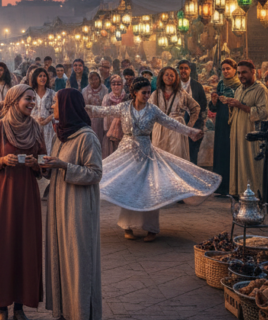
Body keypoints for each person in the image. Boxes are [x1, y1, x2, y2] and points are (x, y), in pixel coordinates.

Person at [85, 79, 217, 241]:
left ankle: (151, 229)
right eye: (144, 92)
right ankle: (128, 226)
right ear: (134, 93)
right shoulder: (124, 107)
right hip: (126, 154)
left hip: (146, 152)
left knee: (149, 190)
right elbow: (102, 111)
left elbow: (171, 123)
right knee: (130, 190)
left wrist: (191, 131)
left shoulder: (153, 110)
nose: (147, 95)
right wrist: (83, 108)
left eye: (149, 92)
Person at [0, 84, 45, 320]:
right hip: (1, 196)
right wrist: (1, 160)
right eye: (27, 99)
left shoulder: (36, 129)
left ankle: (20, 308)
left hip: (27, 196)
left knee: (25, 248)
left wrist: (34, 162)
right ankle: (1, 308)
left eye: (33, 99)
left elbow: (44, 162)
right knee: (2, 248)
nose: (32, 103)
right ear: (14, 100)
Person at [41, 89, 103, 320]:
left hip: (78, 208)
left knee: (79, 262)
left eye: (55, 103)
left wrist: (64, 166)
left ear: (66, 106)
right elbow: (57, 167)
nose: (52, 107)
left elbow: (95, 173)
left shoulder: (86, 137)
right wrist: (47, 169)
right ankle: (65, 314)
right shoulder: (62, 135)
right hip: (58, 204)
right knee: (60, 257)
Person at [221, 61, 268, 196]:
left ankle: (254, 195)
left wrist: (240, 105)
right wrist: (231, 104)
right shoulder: (239, 90)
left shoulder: (261, 90)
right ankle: (240, 193)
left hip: (251, 134)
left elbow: (264, 113)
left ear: (253, 71)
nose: (241, 75)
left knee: (251, 165)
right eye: (239, 73)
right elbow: (237, 110)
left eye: (244, 72)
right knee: (239, 163)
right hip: (238, 134)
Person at [151, 67, 202, 162]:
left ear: (176, 78)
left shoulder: (181, 93)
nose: (169, 77)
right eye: (166, 75)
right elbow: (149, 111)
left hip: (177, 129)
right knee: (159, 158)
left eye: (172, 75)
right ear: (162, 76)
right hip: (159, 129)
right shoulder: (156, 94)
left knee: (176, 159)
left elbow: (195, 107)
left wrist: (189, 127)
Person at [210, 59, 240, 195]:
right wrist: (214, 101)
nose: (226, 71)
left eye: (228, 68)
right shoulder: (221, 84)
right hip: (222, 121)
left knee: (232, 152)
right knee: (221, 152)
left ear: (234, 70)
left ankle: (233, 186)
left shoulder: (240, 85)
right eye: (223, 69)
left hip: (234, 121)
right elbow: (214, 107)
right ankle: (222, 188)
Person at [178, 60, 207, 166]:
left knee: (192, 153)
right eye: (181, 68)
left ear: (190, 70)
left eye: (186, 68)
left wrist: (200, 125)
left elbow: (203, 106)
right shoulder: (175, 85)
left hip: (194, 124)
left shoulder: (197, 86)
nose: (183, 70)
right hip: (178, 124)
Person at [30, 67, 56, 153]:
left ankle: (46, 166)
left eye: (44, 76)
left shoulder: (52, 93)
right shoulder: (30, 93)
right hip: (33, 127)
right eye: (40, 76)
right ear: (35, 78)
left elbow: (57, 110)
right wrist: (36, 119)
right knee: (35, 150)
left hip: (48, 128)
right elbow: (26, 110)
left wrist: (47, 119)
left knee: (48, 150)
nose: (42, 78)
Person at [101, 75, 127, 156]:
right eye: (113, 84)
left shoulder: (126, 97)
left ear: (122, 85)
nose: (116, 86)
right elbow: (104, 115)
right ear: (111, 85)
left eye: (118, 84)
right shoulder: (107, 98)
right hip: (110, 132)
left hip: (124, 132)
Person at [82, 71, 107, 149]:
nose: (94, 81)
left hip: (102, 119)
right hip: (89, 119)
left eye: (96, 79)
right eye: (91, 79)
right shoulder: (85, 90)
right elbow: (84, 106)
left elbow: (105, 105)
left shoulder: (104, 89)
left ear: (99, 79)